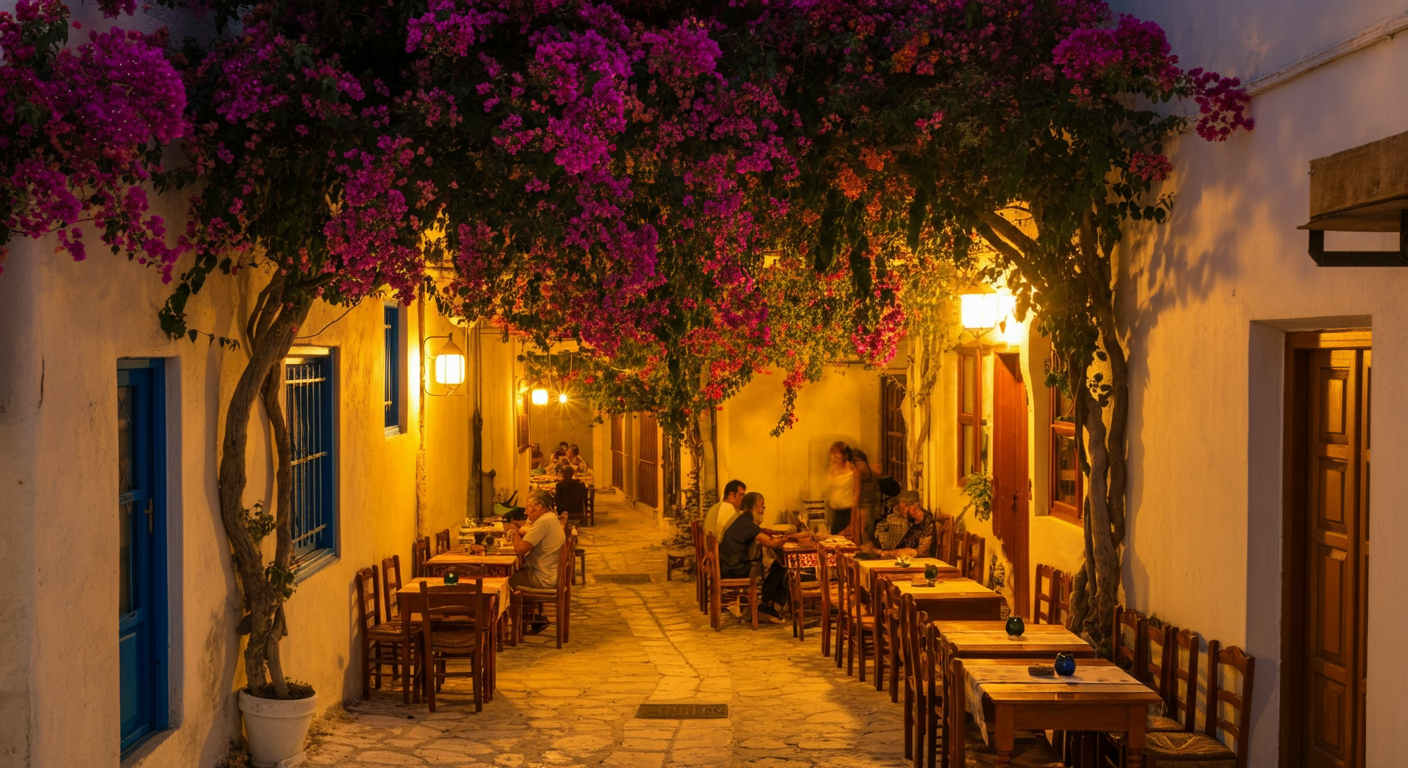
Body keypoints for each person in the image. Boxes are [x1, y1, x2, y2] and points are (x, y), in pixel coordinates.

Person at [718, 492, 800, 621]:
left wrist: (765, 532)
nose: (763, 510)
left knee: (779, 564)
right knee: (785, 565)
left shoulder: (741, 520)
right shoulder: (748, 525)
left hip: (728, 564)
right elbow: (771, 543)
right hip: (735, 569)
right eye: (762, 506)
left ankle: (768, 602)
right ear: (754, 508)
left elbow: (755, 534)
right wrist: (788, 538)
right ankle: (773, 605)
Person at [508, 490, 565, 589]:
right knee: (516, 573)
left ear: (539, 506)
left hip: (542, 578)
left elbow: (520, 549)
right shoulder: (551, 517)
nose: (525, 512)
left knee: (508, 580)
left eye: (528, 508)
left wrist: (513, 532)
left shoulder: (543, 521)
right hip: (551, 574)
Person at [872, 490, 935, 558]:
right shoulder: (914, 523)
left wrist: (887, 553)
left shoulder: (927, 524)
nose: (903, 512)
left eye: (905, 507)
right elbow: (902, 547)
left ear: (915, 505)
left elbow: (918, 552)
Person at [851, 448, 881, 545]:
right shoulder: (870, 469)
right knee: (868, 532)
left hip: (862, 507)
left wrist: (853, 514)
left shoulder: (859, 470)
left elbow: (856, 493)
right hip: (871, 506)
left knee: (862, 535)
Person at [825, 441, 854, 536]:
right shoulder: (832, 469)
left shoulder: (851, 468)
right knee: (834, 537)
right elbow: (827, 487)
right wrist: (832, 469)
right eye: (832, 453)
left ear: (845, 455)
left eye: (837, 453)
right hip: (834, 510)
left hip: (848, 510)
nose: (835, 456)